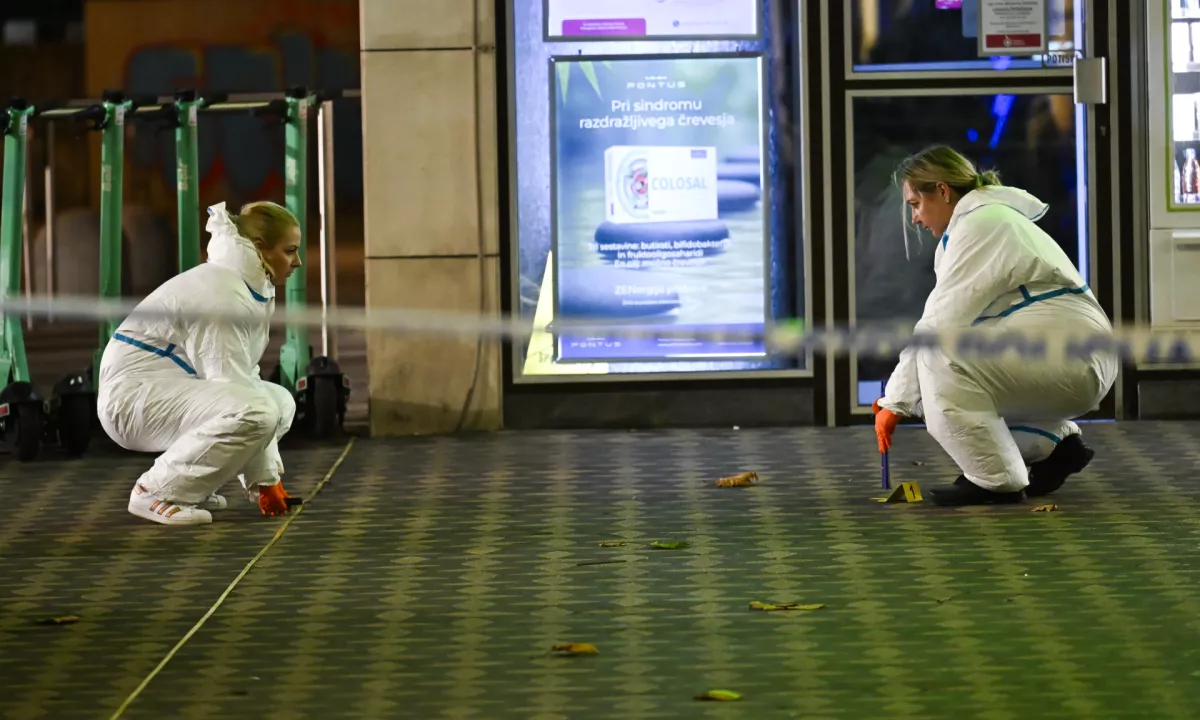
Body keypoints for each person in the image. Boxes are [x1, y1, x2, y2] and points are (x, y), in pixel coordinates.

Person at [872, 146, 1119, 507]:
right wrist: (899, 398)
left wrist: (895, 402)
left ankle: (996, 481)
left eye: (915, 204)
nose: (915, 219)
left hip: (1069, 355)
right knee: (947, 382)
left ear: (942, 191)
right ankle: (1053, 445)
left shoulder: (981, 225)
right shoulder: (983, 222)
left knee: (938, 357)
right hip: (1075, 356)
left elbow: (941, 323)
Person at [96, 201, 303, 526]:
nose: (298, 261)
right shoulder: (223, 293)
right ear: (260, 247)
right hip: (129, 401)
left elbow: (243, 376)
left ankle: (192, 487)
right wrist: (266, 482)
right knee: (257, 412)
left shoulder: (247, 284)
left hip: (161, 389)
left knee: (280, 403)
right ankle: (156, 493)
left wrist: (264, 481)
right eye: (290, 251)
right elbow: (233, 385)